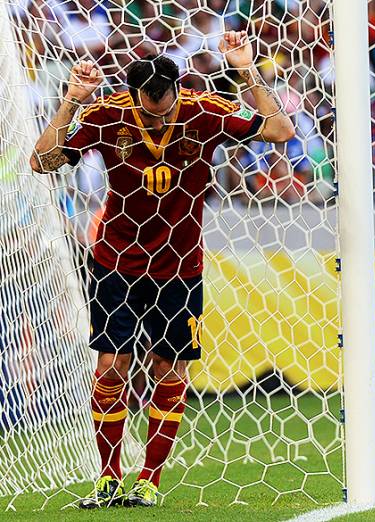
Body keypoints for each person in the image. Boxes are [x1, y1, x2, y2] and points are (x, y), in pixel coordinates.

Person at [30, 31, 296, 508]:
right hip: (116, 260)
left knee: (169, 370)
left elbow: (280, 132)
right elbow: (42, 160)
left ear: (177, 91)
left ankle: (149, 479)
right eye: (151, 112)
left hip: (180, 266)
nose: (161, 116)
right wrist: (71, 102)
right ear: (133, 97)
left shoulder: (204, 108)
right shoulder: (107, 114)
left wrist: (245, 68)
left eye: (167, 107)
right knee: (111, 367)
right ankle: (109, 476)